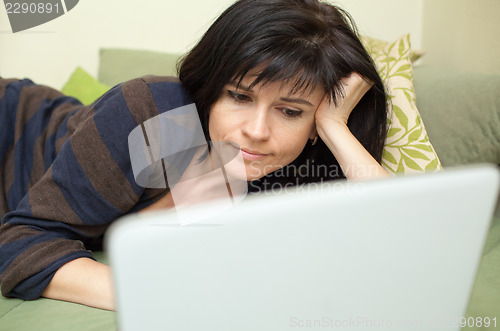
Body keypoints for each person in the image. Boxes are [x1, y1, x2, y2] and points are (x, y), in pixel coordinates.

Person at [0, 0, 388, 310]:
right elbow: (18, 243)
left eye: (290, 111)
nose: (256, 130)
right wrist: (168, 297)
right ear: (212, 87)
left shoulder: (300, 166)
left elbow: (399, 241)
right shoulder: (156, 117)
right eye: (239, 96)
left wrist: (336, 128)